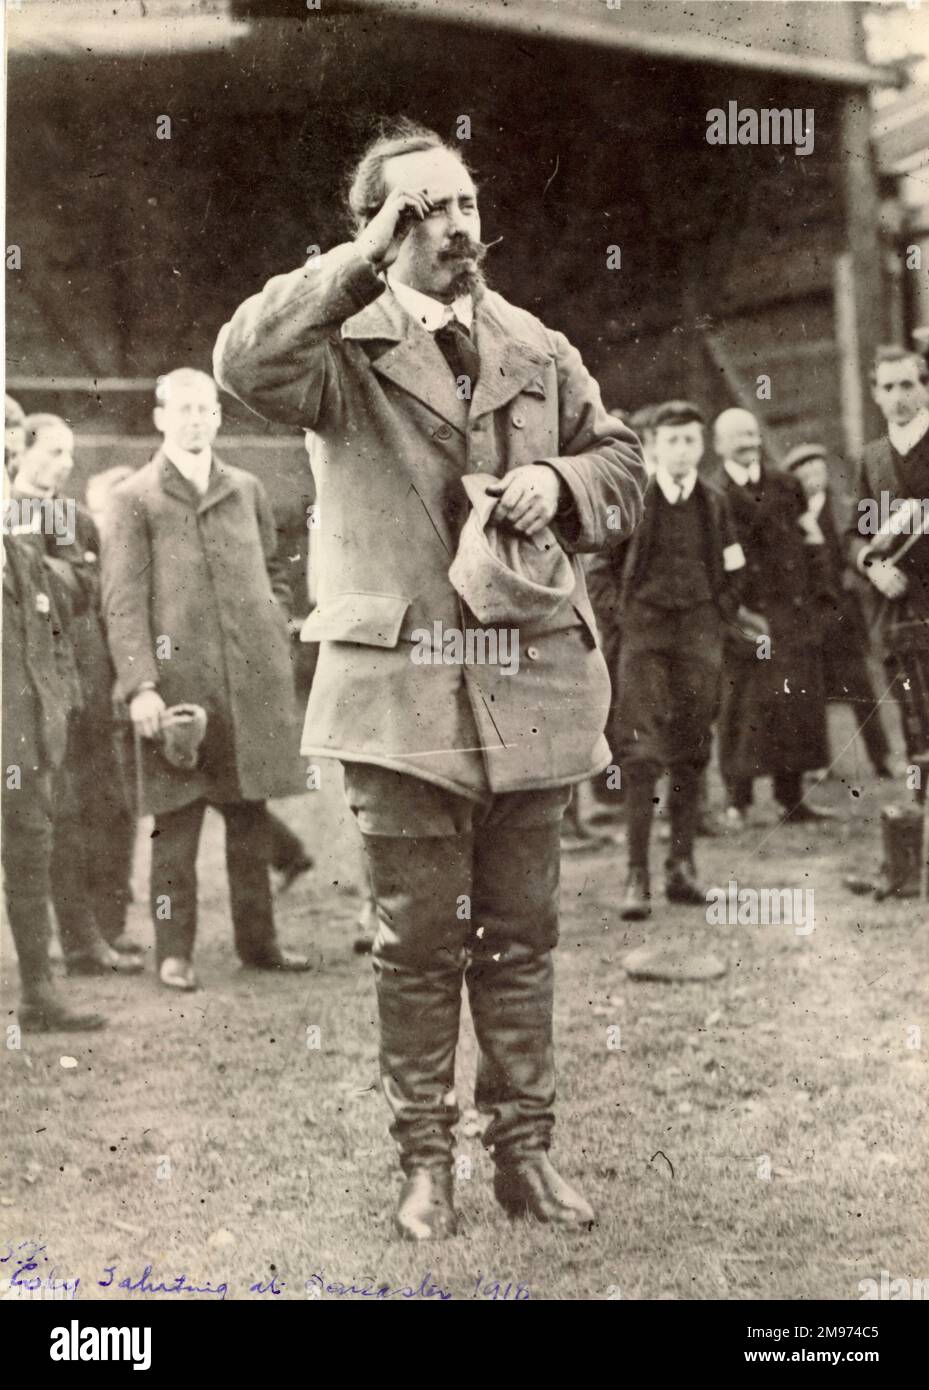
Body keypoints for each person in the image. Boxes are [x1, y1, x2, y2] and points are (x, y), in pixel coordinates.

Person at [214, 119, 645, 1239]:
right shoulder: (336, 348)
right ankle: (425, 1164)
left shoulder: (535, 344)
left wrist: (558, 478)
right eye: (424, 211)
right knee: (413, 942)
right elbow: (243, 359)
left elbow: (623, 459)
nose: (455, 227)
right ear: (379, 229)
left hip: (526, 681)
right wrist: (356, 260)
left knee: (521, 931)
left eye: (463, 203)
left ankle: (524, 1155)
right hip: (401, 694)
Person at [100, 368, 311, 991]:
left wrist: (273, 623)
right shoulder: (133, 497)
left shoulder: (245, 488)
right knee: (176, 831)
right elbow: (121, 602)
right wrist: (141, 687)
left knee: (249, 822)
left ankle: (260, 944)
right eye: (184, 410)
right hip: (177, 695)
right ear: (160, 418)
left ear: (218, 417)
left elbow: (273, 570)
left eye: (207, 410)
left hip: (246, 690)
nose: (196, 420)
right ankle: (174, 953)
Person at [587, 401, 746, 918]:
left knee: (693, 750)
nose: (683, 451)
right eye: (673, 441)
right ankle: (639, 877)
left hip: (699, 640)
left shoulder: (715, 503)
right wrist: (625, 620)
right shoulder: (633, 500)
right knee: (641, 755)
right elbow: (599, 572)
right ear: (654, 445)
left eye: (691, 441)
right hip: (646, 642)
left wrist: (719, 617)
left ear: (702, 447)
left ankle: (683, 869)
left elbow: (735, 566)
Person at [16, 415, 143, 970]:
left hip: (90, 683)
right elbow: (60, 587)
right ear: (21, 452)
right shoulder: (12, 515)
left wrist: (43, 573)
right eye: (53, 451)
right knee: (59, 815)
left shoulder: (73, 516)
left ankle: (106, 929)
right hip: (40, 689)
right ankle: (78, 941)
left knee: (111, 807)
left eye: (70, 452)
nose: (64, 462)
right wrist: (52, 574)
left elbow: (94, 588)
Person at [2, 458, 106, 1030]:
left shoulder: (25, 560)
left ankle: (40, 995)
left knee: (29, 865)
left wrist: (55, 717)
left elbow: (51, 650)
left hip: (26, 753)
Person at [712, 407, 836, 827]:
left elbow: (812, 540)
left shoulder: (787, 485)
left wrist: (819, 598)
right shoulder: (714, 494)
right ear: (719, 445)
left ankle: (792, 800)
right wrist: (731, 613)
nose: (748, 442)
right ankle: (737, 802)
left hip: (792, 614)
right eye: (737, 437)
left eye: (752, 434)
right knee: (742, 709)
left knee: (796, 706)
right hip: (745, 616)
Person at [783, 442, 891, 778]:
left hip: (844, 616)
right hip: (809, 618)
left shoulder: (844, 510)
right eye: (804, 472)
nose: (812, 476)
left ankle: (881, 758)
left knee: (861, 691)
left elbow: (857, 550)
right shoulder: (791, 516)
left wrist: (850, 579)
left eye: (817, 469)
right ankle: (818, 764)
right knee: (811, 695)